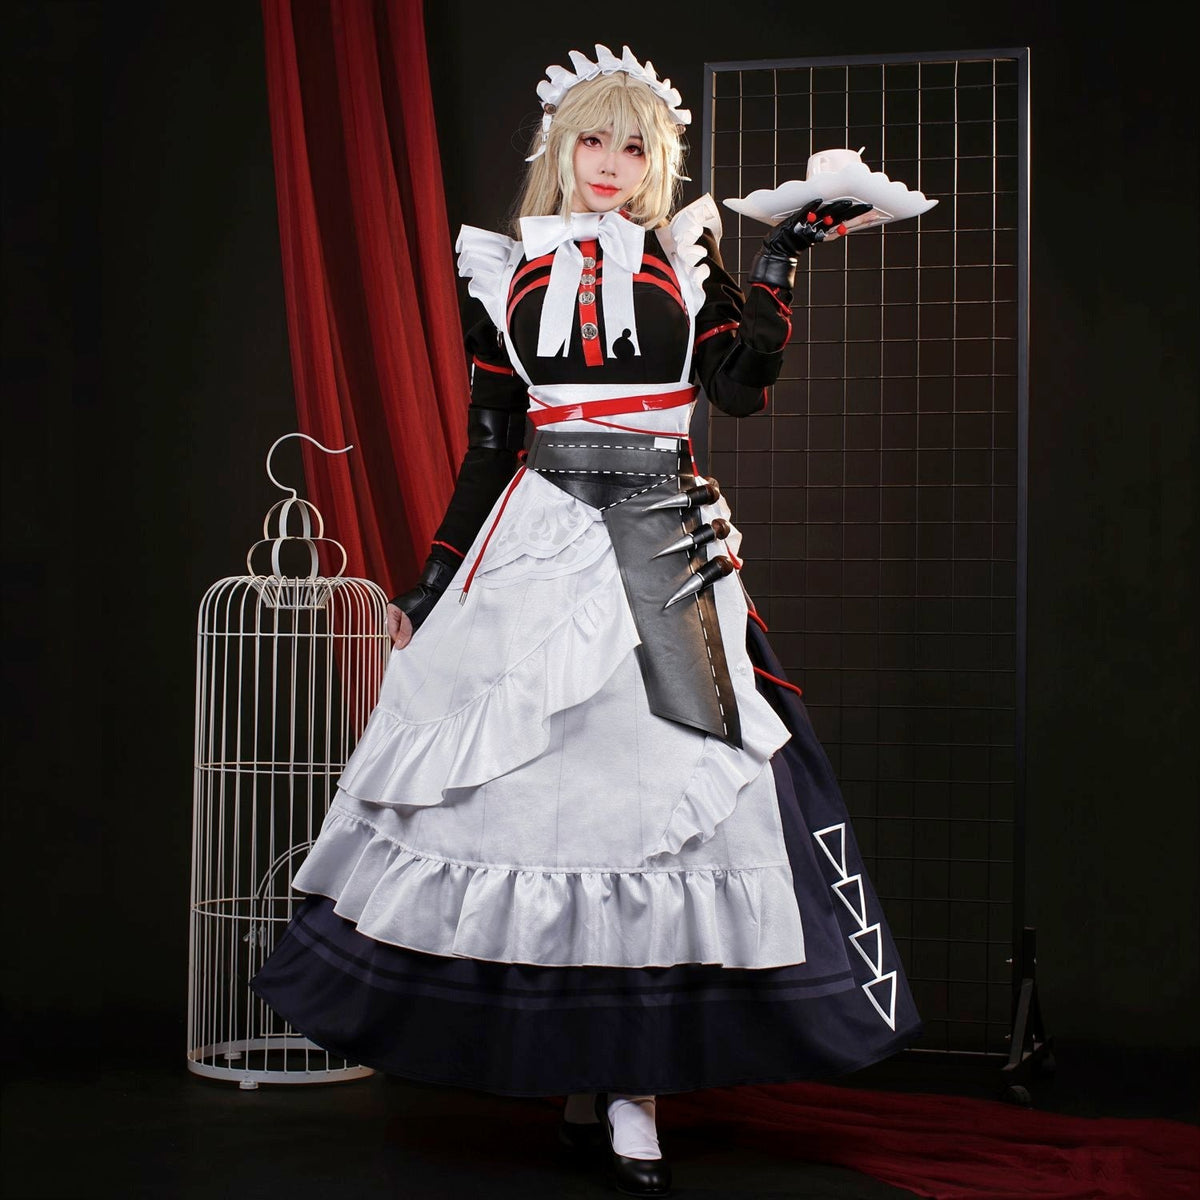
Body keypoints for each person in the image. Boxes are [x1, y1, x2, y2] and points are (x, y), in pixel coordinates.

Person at [251, 43, 921, 1198]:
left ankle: (634, 1089)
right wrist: (430, 584)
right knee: (533, 818)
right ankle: (582, 1076)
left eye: (634, 145)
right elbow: (490, 448)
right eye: (593, 141)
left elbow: (738, 393)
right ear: (560, 151)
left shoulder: (688, 259)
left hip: (662, 539)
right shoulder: (504, 275)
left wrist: (777, 269)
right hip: (536, 545)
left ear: (659, 163)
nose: (611, 162)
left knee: (658, 815)